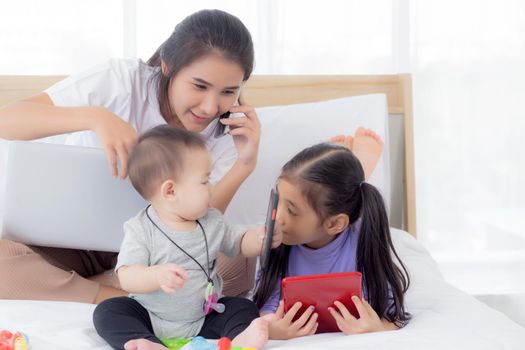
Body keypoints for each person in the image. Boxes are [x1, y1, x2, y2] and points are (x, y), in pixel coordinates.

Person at [0, 9, 261, 303]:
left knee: (239, 264)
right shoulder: (121, 81)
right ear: (167, 65)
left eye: (228, 91)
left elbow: (201, 225)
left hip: (153, 258)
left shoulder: (230, 132)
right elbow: (5, 120)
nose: (211, 107)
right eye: (199, 86)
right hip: (67, 247)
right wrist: (94, 117)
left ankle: (76, 289)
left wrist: (245, 164)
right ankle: (115, 294)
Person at [93, 125, 274, 350]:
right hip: (151, 316)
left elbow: (238, 243)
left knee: (242, 307)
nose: (212, 186)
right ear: (170, 191)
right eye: (204, 180)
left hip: (205, 317)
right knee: (108, 312)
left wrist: (258, 238)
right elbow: (127, 277)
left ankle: (239, 337)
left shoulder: (212, 220)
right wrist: (156, 275)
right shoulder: (141, 228)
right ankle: (149, 343)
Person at [253, 141, 411, 340]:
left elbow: (392, 316)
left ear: (335, 224)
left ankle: (361, 167)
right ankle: (358, 167)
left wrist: (378, 327)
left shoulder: (365, 244)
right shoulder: (277, 238)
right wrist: (272, 329)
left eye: (292, 210)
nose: (279, 217)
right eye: (277, 200)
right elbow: (266, 307)